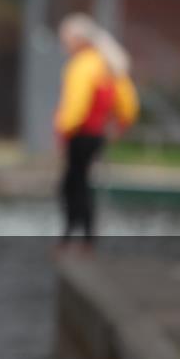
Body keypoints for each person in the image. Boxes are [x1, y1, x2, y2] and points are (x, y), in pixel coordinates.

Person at [52, 13, 139, 249]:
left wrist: (63, 131)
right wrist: (120, 125)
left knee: (72, 185)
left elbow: (76, 106)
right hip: (97, 134)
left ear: (79, 40)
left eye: (66, 39)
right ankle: (86, 238)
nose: (65, 44)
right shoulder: (107, 63)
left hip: (80, 134)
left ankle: (71, 235)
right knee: (81, 183)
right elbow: (128, 103)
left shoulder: (82, 65)